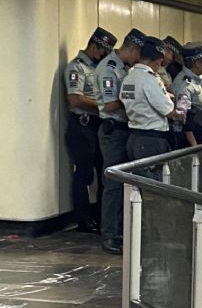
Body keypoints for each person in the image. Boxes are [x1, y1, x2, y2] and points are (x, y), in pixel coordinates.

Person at [95, 28, 144, 255]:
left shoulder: (124, 69)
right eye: (138, 55)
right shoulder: (109, 69)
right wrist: (135, 99)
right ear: (131, 49)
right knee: (114, 185)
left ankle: (123, 231)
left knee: (126, 183)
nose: (139, 61)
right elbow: (109, 104)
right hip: (113, 131)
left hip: (127, 130)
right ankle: (111, 235)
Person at [64, 27, 116, 234]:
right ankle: (83, 220)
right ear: (94, 46)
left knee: (103, 171)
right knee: (84, 174)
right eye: (102, 51)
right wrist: (103, 105)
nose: (104, 56)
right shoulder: (76, 68)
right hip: (82, 125)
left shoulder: (98, 68)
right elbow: (75, 99)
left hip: (98, 125)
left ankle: (102, 218)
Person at [120, 37, 178, 180]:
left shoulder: (129, 77)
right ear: (158, 60)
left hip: (134, 137)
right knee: (153, 187)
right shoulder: (149, 80)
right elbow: (169, 112)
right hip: (151, 141)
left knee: (137, 187)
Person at [172, 42, 202, 148]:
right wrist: (195, 147)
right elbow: (181, 118)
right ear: (197, 63)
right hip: (189, 141)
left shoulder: (196, 80)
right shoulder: (186, 86)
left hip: (198, 133)